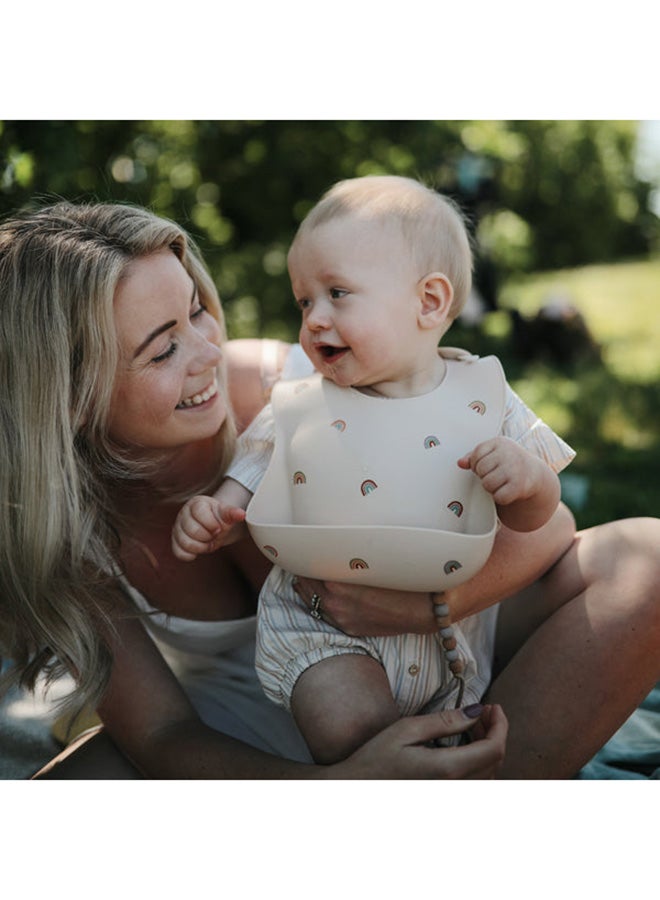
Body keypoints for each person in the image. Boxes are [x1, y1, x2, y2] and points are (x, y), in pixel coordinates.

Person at [2, 198, 659, 780]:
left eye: (197, 309)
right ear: (72, 400)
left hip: (453, 642)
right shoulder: (62, 520)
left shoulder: (294, 386)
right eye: (162, 349)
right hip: (251, 719)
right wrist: (338, 789)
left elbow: (548, 528)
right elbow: (162, 734)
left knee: (647, 561)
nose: (206, 351)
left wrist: (425, 608)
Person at [171, 175, 576, 763]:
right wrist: (216, 513)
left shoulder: (481, 397)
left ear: (429, 302)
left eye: (337, 293)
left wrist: (528, 480)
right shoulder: (300, 399)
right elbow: (248, 482)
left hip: (444, 636)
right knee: (350, 727)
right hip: (323, 631)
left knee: (444, 739)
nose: (313, 319)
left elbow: (541, 512)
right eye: (304, 300)